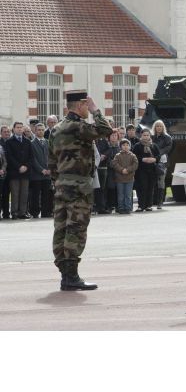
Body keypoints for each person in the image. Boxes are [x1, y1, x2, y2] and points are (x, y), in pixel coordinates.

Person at [48, 90, 112, 290]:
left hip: (61, 185)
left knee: (61, 228)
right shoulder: (78, 127)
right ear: (79, 105)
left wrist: (58, 182)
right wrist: (97, 111)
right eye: (86, 105)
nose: (88, 108)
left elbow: (51, 163)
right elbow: (105, 130)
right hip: (79, 186)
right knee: (76, 228)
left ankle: (65, 274)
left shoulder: (56, 129)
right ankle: (71, 276)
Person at [5, 121, 32, 219]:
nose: (20, 129)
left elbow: (30, 157)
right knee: (15, 193)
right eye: (18, 127)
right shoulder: (9, 141)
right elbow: (9, 157)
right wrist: (19, 167)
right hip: (14, 171)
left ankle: (22, 212)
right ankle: (15, 213)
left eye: (21, 127)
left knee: (24, 193)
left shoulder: (27, 141)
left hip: (25, 171)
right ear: (14, 129)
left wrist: (25, 166)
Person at [132, 128, 161, 212]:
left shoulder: (154, 145)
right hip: (141, 170)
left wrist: (154, 159)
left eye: (147, 135)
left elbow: (159, 156)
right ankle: (141, 205)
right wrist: (142, 159)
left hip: (152, 170)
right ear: (141, 136)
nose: (146, 137)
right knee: (141, 187)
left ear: (150, 136)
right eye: (144, 135)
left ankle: (149, 205)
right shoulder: (137, 145)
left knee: (150, 188)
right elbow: (134, 156)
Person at [29, 123, 53, 218]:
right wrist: (41, 170)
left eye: (42, 130)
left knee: (46, 195)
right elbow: (32, 159)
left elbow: (52, 157)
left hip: (48, 174)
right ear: (35, 131)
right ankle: (34, 213)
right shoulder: (31, 143)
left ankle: (45, 212)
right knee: (35, 195)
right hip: (36, 174)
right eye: (39, 130)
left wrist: (50, 168)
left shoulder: (48, 142)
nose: (41, 131)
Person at [112, 138, 138, 214]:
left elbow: (135, 164)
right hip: (119, 179)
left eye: (127, 145)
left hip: (129, 179)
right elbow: (115, 164)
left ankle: (128, 208)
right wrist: (122, 170)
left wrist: (128, 170)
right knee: (120, 195)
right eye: (123, 145)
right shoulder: (117, 155)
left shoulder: (132, 155)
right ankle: (121, 208)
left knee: (128, 194)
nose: (125, 146)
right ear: (120, 146)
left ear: (129, 146)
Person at [152, 119, 173, 209]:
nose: (159, 128)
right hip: (152, 161)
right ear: (155, 127)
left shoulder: (167, 137)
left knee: (161, 182)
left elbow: (168, 148)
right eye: (157, 126)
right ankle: (153, 201)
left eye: (160, 126)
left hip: (162, 162)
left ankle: (160, 202)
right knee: (153, 182)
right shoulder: (151, 137)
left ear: (163, 127)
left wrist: (158, 153)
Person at [0, 125, 11, 219]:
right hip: (1, 172)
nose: (7, 133)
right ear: (1, 133)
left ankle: (6, 213)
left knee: (7, 194)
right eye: (5, 132)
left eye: (8, 131)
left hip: (11, 172)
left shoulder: (11, 142)